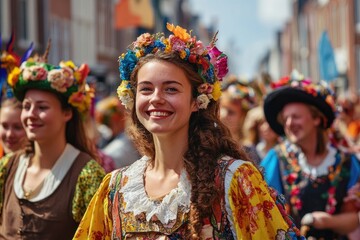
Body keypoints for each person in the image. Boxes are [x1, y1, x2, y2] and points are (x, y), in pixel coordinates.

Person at [74, 23, 304, 239]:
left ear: (197, 100)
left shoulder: (234, 181)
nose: (156, 99)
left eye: (171, 89)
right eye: (146, 89)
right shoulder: (115, 188)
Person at [0, 55, 105, 239]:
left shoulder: (87, 175)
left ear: (66, 113)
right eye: (26, 106)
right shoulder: (7, 166)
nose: (30, 115)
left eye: (42, 107)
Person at [260, 70, 360, 239]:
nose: (290, 124)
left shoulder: (346, 161)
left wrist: (327, 222)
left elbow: (353, 219)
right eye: (285, 120)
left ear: (316, 119)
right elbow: (264, 212)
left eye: (296, 117)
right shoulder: (276, 159)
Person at [95, 95, 140, 168]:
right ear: (115, 118)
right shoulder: (116, 147)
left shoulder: (128, 137)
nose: (127, 114)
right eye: (123, 112)